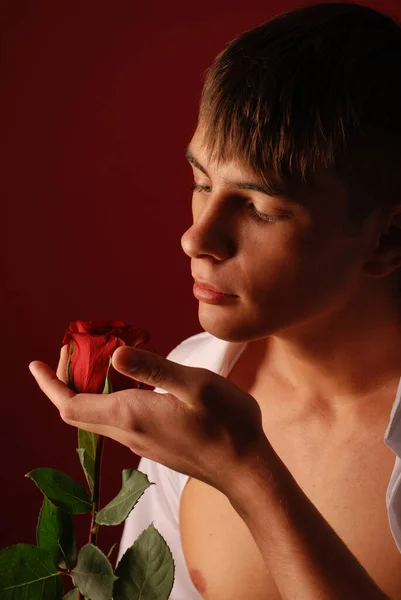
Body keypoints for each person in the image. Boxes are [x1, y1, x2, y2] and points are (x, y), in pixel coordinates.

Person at [29, 2, 401, 599]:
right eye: (202, 183)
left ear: (387, 237)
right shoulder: (198, 379)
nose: (196, 237)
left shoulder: (214, 431)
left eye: (260, 208)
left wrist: (246, 473)